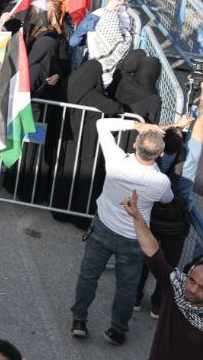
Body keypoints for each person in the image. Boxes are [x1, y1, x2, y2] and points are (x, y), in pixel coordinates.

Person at [70, 118, 173, 345]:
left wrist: (138, 126)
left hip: (103, 229)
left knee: (88, 276)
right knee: (126, 288)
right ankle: (117, 330)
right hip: (134, 239)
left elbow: (101, 124)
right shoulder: (161, 182)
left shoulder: (117, 161)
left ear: (135, 145)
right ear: (160, 155)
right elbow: (168, 199)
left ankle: (79, 320)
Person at [123, 191, 203, 358]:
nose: (193, 289)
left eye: (202, 288)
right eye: (192, 280)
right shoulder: (176, 287)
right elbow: (153, 253)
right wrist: (137, 218)